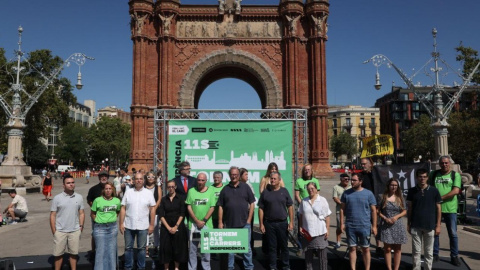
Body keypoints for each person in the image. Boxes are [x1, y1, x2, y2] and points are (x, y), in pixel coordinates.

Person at [218, 166, 255, 270]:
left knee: (246, 249)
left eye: (236, 174)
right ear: (229, 175)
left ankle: (249, 267)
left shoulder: (246, 187)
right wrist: (220, 222)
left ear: (239, 176)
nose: (234, 176)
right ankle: (230, 267)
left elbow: (252, 203)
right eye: (232, 174)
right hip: (229, 224)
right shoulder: (225, 189)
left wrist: (249, 220)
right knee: (230, 250)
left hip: (244, 224)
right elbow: (220, 206)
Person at [119, 172, 156, 270]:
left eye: (140, 179)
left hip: (143, 226)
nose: (139, 181)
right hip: (129, 225)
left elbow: (152, 209)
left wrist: (151, 225)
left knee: (142, 249)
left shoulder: (148, 193)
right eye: (137, 179)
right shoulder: (128, 192)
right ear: (134, 180)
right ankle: (128, 267)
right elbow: (123, 208)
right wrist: (121, 223)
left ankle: (141, 267)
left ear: (143, 181)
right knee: (128, 249)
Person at [258, 171, 294, 270]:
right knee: (272, 247)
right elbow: (261, 208)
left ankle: (286, 266)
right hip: (269, 224)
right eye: (271, 178)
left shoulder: (284, 191)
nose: (272, 180)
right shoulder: (266, 192)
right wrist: (261, 224)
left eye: (275, 179)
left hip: (282, 223)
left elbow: (290, 206)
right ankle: (273, 267)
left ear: (279, 180)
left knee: (284, 247)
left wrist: (291, 222)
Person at [340, 173, 377, 270]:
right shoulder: (346, 193)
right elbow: (342, 209)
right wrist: (342, 223)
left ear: (360, 181)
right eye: (351, 180)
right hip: (350, 226)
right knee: (352, 248)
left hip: (364, 226)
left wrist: (374, 226)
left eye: (354, 180)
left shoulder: (369, 194)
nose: (352, 182)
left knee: (365, 249)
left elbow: (373, 210)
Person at [429, 155, 461, 266]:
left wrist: (440, 198)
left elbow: (456, 191)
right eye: (442, 163)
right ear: (439, 164)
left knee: (453, 234)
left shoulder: (455, 175)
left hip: (450, 208)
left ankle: (454, 256)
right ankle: (435, 254)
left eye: (446, 163)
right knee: (434, 233)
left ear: (450, 163)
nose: (444, 165)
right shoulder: (433, 174)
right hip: (435, 208)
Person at [407, 168, 442, 270]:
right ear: (417, 178)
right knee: (416, 252)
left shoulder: (434, 191)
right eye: (420, 177)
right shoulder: (412, 191)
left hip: (430, 225)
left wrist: (438, 225)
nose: (422, 179)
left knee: (429, 253)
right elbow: (410, 208)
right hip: (415, 225)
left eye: (424, 177)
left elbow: (439, 208)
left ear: (427, 178)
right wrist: (408, 223)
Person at [50, 174, 85, 270]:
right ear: (63, 185)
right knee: (58, 254)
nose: (71, 184)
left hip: (74, 230)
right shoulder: (57, 198)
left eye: (72, 182)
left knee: (73, 254)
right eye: (68, 183)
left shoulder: (79, 197)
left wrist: (81, 227)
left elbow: (81, 213)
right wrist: (54, 231)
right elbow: (53, 215)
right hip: (60, 231)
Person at [299, 182, 331, 270]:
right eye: (308, 189)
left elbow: (327, 216)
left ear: (316, 189)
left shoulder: (322, 200)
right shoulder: (304, 201)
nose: (310, 190)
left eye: (312, 188)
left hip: (320, 231)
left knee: (322, 256)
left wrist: (327, 229)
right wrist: (301, 226)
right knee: (308, 256)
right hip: (307, 232)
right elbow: (301, 215)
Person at [186, 172, 215, 270]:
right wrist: (196, 220)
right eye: (199, 180)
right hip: (194, 226)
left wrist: (203, 221)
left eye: (203, 180)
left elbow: (212, 207)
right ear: (196, 180)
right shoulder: (191, 191)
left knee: (206, 250)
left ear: (206, 181)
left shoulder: (210, 191)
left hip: (206, 226)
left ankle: (206, 268)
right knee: (193, 250)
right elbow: (189, 206)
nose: (200, 182)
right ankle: (192, 268)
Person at [377, 178, 407, 270]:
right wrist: (385, 218)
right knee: (387, 249)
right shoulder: (383, 197)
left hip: (397, 225)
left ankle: (396, 268)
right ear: (388, 186)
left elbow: (404, 211)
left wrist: (396, 217)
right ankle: (389, 268)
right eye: (392, 185)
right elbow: (378, 211)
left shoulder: (400, 197)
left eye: (395, 185)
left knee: (397, 249)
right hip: (386, 225)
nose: (393, 187)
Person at [91, 182, 121, 270]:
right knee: (100, 252)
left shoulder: (117, 201)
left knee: (111, 252)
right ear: (104, 190)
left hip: (112, 228)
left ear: (113, 190)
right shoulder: (97, 200)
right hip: (100, 228)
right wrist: (96, 220)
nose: (108, 191)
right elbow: (92, 213)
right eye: (106, 189)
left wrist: (113, 217)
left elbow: (118, 211)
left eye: (110, 189)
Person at [158, 180, 188, 270]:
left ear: (175, 187)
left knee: (177, 247)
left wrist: (175, 227)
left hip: (178, 226)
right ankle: (166, 268)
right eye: (169, 187)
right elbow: (161, 215)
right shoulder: (163, 199)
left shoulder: (181, 199)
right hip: (166, 226)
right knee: (165, 247)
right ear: (167, 188)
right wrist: (168, 228)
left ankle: (176, 267)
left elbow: (182, 213)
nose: (171, 189)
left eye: (172, 187)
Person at [87, 170, 110, 256]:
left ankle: (107, 251)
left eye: (105, 176)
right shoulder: (93, 189)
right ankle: (93, 251)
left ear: (107, 178)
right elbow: (89, 200)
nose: (103, 178)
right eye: (102, 176)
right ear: (99, 178)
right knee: (95, 233)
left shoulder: (111, 188)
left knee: (108, 234)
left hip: (108, 216)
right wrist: (95, 208)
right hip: (96, 215)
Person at [144, 171, 162, 259]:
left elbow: (159, 199)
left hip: (155, 211)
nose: (151, 179)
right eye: (149, 177)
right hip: (144, 211)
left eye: (152, 177)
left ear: (155, 179)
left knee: (155, 230)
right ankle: (146, 248)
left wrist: (154, 208)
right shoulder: (143, 187)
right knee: (146, 230)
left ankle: (156, 247)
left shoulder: (157, 187)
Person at [239, 167, 257, 256]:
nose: (247, 176)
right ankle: (239, 249)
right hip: (239, 213)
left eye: (247, 174)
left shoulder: (249, 185)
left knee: (249, 231)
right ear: (240, 176)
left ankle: (250, 249)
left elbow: (252, 200)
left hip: (248, 212)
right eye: (245, 174)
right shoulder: (236, 185)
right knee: (239, 231)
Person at [332, 173, 350, 249]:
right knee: (339, 227)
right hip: (340, 211)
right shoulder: (336, 187)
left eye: (348, 179)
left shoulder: (351, 187)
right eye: (345, 179)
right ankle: (338, 242)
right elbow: (335, 198)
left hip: (350, 211)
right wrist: (342, 204)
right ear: (341, 179)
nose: (347, 181)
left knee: (349, 228)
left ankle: (350, 242)